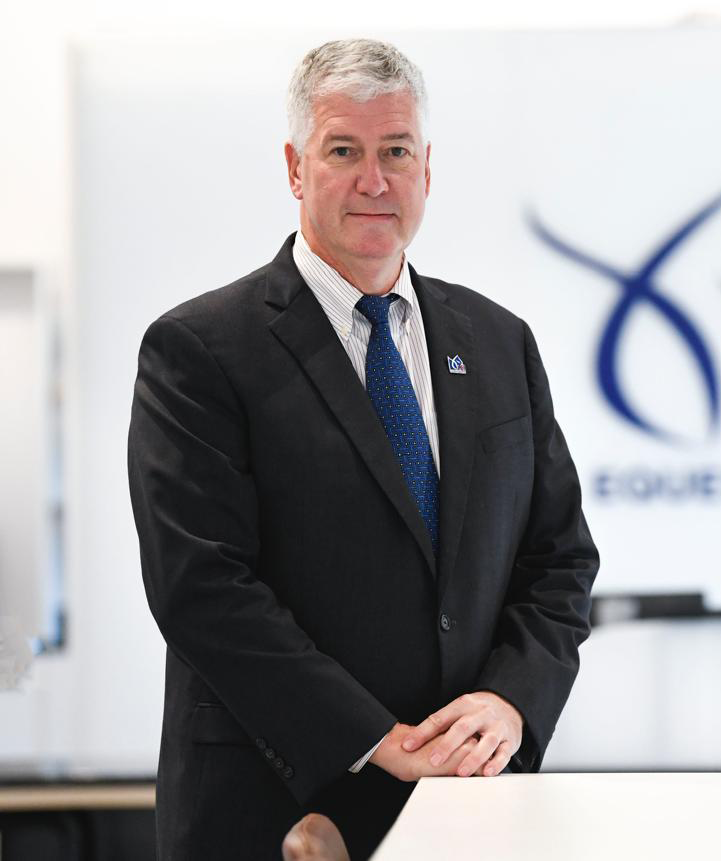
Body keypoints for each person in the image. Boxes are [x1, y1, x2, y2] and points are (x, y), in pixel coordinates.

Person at [127, 38, 599, 861]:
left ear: (427, 169)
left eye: (396, 152)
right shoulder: (199, 350)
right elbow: (200, 585)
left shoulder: (499, 343)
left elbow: (558, 559)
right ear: (294, 167)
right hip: (271, 809)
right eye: (343, 151)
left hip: (468, 806)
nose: (374, 180)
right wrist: (374, 738)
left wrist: (511, 701)